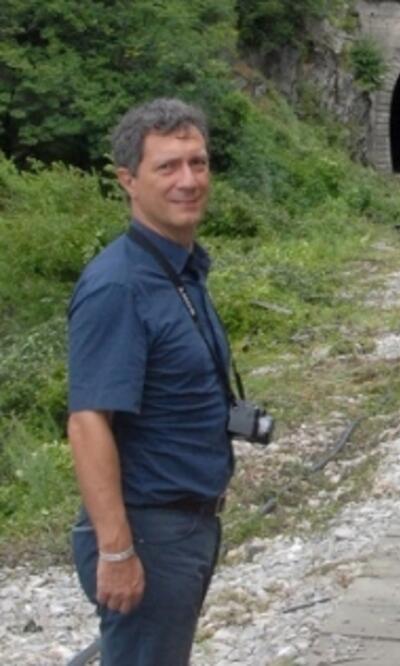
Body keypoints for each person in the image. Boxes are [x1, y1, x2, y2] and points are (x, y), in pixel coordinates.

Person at [67, 98, 231, 663]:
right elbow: (88, 421)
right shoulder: (120, 286)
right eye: (167, 167)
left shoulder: (179, 269)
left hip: (184, 526)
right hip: (147, 531)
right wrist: (117, 551)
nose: (188, 180)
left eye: (198, 163)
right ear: (128, 181)